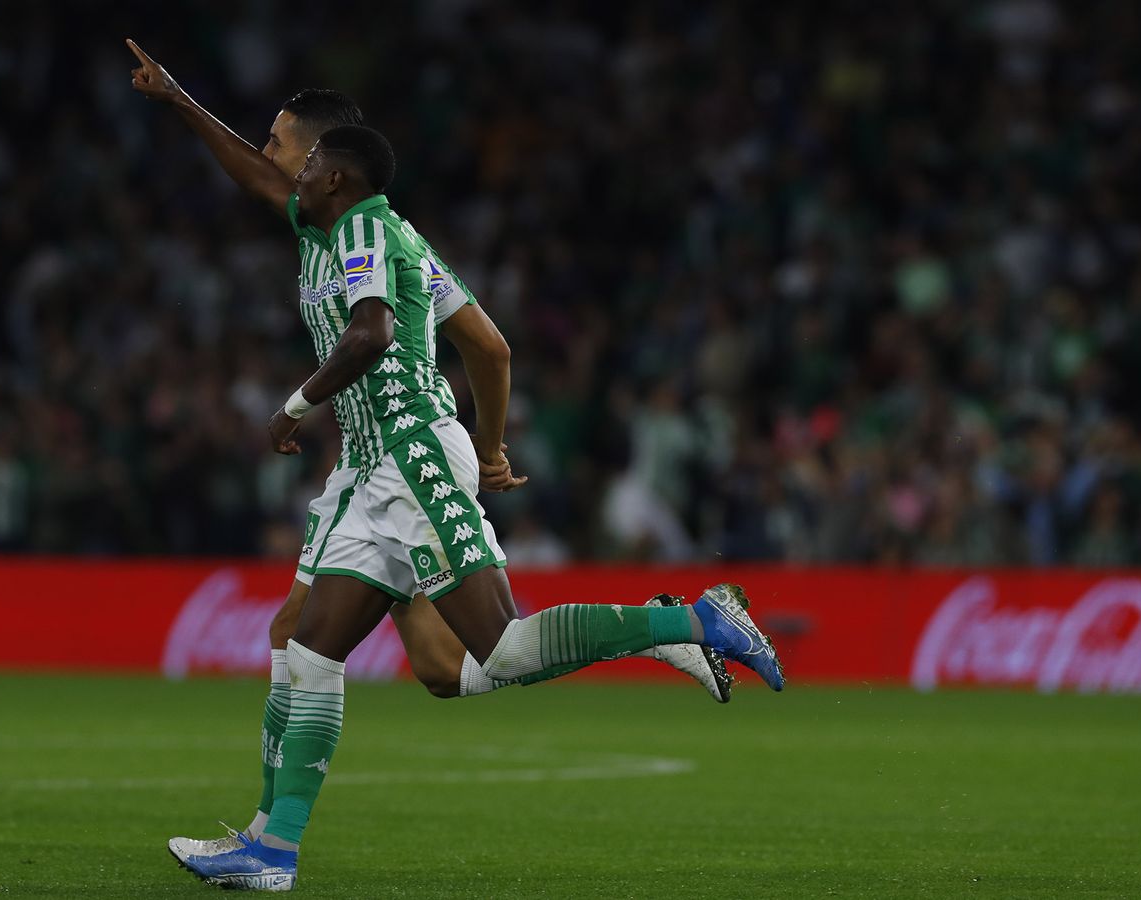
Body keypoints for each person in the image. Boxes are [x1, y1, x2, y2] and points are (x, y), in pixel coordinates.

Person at [128, 49, 784, 893]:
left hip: (410, 455)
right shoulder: (338, 225)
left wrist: (297, 409)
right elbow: (489, 344)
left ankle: (692, 621)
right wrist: (179, 97)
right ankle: (271, 847)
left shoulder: (366, 228)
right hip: (369, 470)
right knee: (316, 646)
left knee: (499, 648)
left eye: (282, 144)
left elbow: (371, 335)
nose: (272, 157)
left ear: (327, 163)